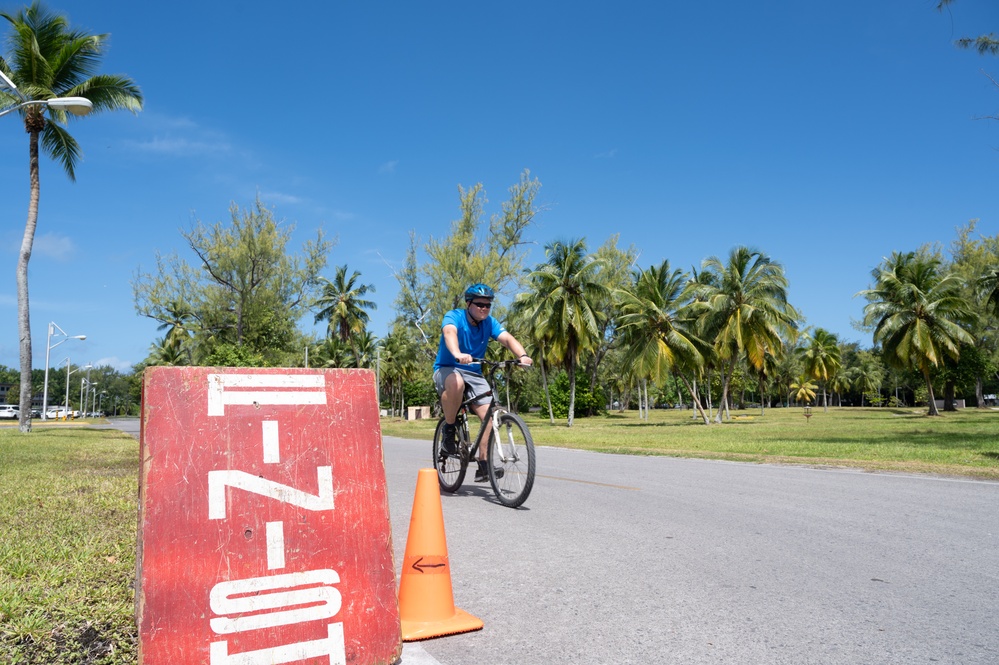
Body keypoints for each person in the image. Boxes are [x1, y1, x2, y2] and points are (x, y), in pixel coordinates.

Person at [433, 283, 533, 482]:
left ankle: (483, 464)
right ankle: (449, 429)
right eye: (479, 304)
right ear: (468, 304)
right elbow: (449, 334)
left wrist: (522, 355)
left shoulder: (490, 322)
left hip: (474, 373)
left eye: (488, 305)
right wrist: (457, 354)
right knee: (457, 383)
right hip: (448, 368)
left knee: (491, 414)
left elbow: (507, 339)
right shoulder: (454, 316)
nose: (484, 308)